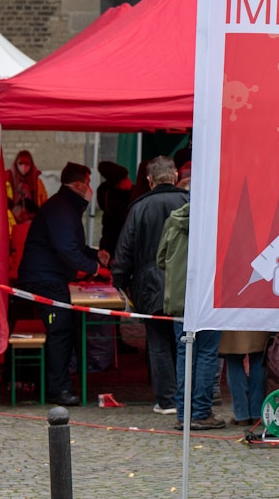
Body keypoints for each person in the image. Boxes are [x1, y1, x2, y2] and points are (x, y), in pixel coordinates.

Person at [16, 162, 108, 406]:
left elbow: (73, 246)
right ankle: (57, 389)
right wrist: (97, 269)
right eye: (88, 183)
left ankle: (57, 382)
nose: (90, 188)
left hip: (49, 278)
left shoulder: (65, 206)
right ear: (78, 185)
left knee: (63, 330)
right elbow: (66, 248)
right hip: (44, 281)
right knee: (59, 331)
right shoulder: (61, 208)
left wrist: (93, 255)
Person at [112, 155, 189, 416]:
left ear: (149, 180)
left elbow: (125, 249)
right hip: (185, 282)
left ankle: (167, 400)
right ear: (176, 174)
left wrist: (120, 281)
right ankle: (191, 398)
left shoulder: (139, 208)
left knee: (157, 343)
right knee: (187, 341)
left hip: (149, 285)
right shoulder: (190, 203)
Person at [157, 200, 224, 430]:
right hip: (208, 297)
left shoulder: (173, 221)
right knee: (206, 353)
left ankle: (184, 413)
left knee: (185, 352)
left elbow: (160, 258)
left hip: (179, 298)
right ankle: (201, 412)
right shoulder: (215, 222)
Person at [219, 330, 271, 426]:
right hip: (257, 321)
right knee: (258, 360)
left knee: (234, 360)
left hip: (233, 322)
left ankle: (241, 415)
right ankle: (257, 414)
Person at [96, 161, 133, 257]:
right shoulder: (119, 199)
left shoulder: (105, 192)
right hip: (118, 247)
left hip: (109, 244)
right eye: (125, 179)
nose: (129, 181)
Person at [5, 150, 49, 225]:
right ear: (16, 164)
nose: (23, 166)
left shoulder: (38, 183)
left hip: (33, 224)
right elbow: (4, 204)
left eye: (27, 163)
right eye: (20, 163)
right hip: (12, 224)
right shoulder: (8, 180)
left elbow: (44, 206)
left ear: (31, 165)